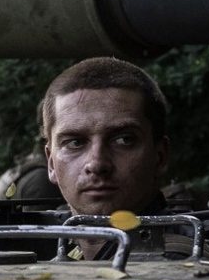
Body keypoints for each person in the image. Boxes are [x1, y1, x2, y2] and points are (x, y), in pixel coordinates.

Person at [37, 57, 170, 218]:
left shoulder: (195, 243)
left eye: (124, 140)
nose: (96, 164)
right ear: (51, 163)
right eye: (75, 143)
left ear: (160, 156)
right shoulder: (32, 240)